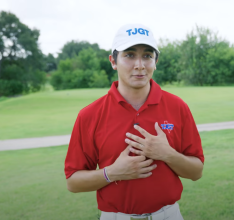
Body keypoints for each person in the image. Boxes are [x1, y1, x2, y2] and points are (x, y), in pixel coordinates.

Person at [64, 23, 204, 220]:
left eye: (147, 55)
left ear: (155, 61)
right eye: (129, 55)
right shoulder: (89, 115)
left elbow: (196, 171)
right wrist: (112, 173)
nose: (140, 65)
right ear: (113, 61)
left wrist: (167, 154)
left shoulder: (177, 106)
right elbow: (73, 182)